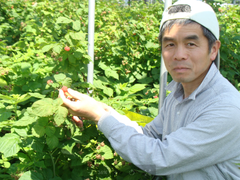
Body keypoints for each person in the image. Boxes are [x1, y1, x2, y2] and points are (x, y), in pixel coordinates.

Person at [59, 0, 240, 179]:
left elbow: (159, 159)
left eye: (191, 44)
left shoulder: (226, 108)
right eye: (170, 44)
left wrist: (100, 116)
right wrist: (99, 110)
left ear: (213, 49)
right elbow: (148, 135)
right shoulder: (178, 94)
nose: (179, 55)